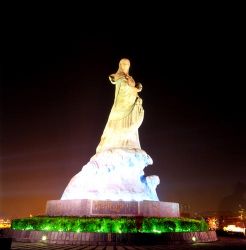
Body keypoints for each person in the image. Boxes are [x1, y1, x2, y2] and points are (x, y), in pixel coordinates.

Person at [96, 58, 144, 153]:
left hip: (130, 104)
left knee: (130, 124)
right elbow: (114, 79)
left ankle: (127, 143)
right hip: (120, 105)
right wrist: (134, 88)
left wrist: (136, 88)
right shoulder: (118, 76)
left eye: (127, 64)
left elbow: (134, 88)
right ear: (120, 65)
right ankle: (112, 145)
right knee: (116, 122)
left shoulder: (130, 78)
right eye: (123, 63)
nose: (125, 65)